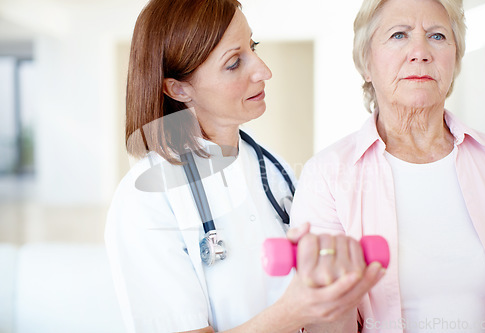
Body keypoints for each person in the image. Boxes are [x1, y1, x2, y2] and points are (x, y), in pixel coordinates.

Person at [105, 0, 385, 332]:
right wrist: (293, 311)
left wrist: (338, 296)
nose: (263, 71)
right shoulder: (146, 198)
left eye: (252, 46)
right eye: (235, 62)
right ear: (178, 88)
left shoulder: (275, 169)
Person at [290, 0, 485, 331]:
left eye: (437, 36)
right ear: (366, 63)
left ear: (455, 59)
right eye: (399, 35)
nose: (420, 51)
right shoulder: (327, 175)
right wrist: (334, 295)